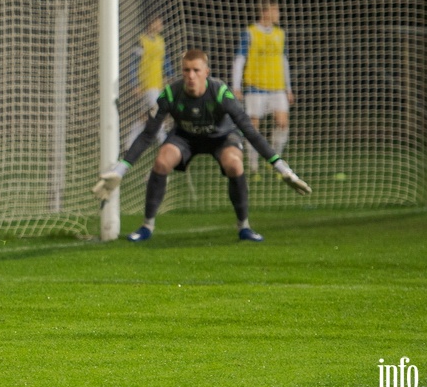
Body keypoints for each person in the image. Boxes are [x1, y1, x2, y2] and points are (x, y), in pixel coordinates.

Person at [92, 49, 310, 243]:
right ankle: (146, 226)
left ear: (206, 72)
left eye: (196, 70)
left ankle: (244, 226)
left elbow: (249, 130)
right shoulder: (171, 93)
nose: (190, 76)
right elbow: (148, 134)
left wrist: (282, 168)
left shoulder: (220, 93)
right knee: (161, 161)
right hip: (185, 137)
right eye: (186, 70)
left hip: (222, 137)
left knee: (234, 164)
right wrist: (120, 170)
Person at [231, 0, 294, 177]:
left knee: (282, 124)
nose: (278, 14)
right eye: (275, 11)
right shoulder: (250, 33)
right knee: (253, 128)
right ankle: (253, 166)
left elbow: (284, 61)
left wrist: (288, 88)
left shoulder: (280, 33)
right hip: (255, 87)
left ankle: (274, 160)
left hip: (277, 87)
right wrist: (236, 86)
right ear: (265, 12)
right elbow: (240, 59)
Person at [125, 16, 174, 149]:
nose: (160, 26)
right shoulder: (142, 41)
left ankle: (128, 144)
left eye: (161, 23)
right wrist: (134, 83)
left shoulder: (160, 41)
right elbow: (133, 63)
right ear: (150, 24)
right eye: (158, 23)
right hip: (146, 84)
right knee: (157, 113)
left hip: (158, 84)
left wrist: (170, 74)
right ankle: (164, 143)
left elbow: (165, 59)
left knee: (144, 117)